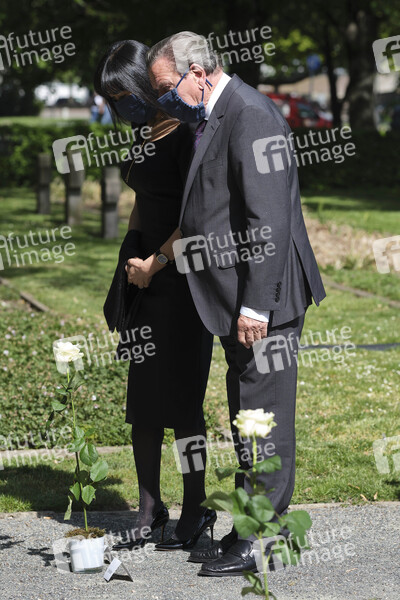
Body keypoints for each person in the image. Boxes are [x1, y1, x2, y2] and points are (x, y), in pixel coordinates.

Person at [147, 31, 326, 575]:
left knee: (261, 417)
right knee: (250, 414)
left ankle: (260, 537)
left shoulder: (249, 114)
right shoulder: (218, 112)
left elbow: (267, 220)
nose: (164, 99)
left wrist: (255, 307)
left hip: (263, 300)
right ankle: (257, 524)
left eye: (167, 87)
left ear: (198, 73)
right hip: (238, 296)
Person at [96, 40, 216, 551]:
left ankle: (196, 505)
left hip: (183, 279)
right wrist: (131, 251)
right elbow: (144, 198)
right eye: (112, 100)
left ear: (145, 85)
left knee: (184, 404)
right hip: (144, 277)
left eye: (123, 96)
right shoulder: (144, 133)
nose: (119, 107)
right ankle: (149, 507)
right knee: (143, 402)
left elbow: (199, 217)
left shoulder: (190, 132)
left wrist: (155, 263)